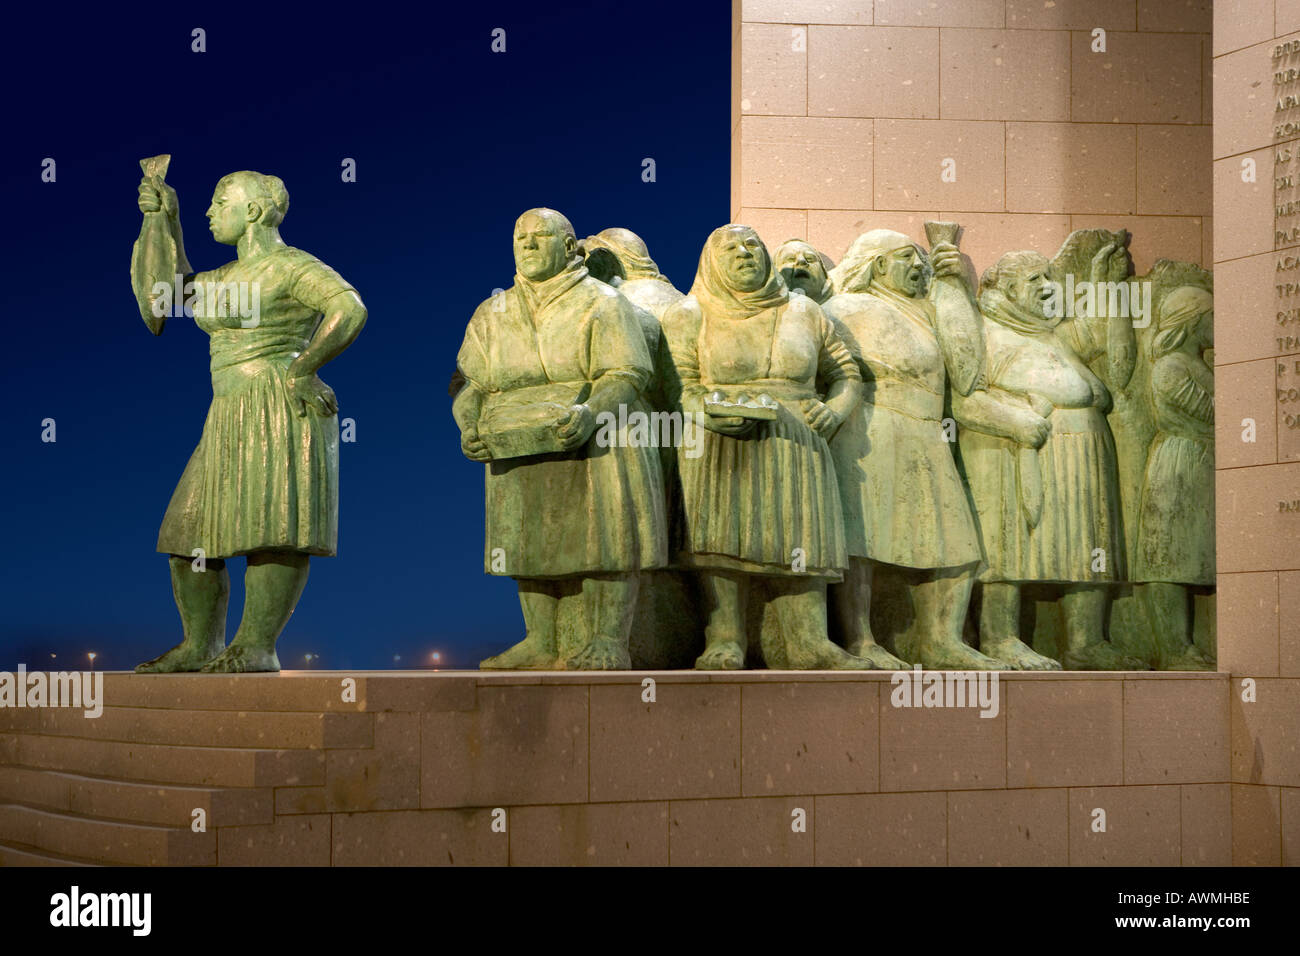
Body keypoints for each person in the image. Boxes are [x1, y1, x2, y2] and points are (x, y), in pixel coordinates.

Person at [132, 170, 367, 673]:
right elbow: (159, 304)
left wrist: (305, 368)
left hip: (278, 402)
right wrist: (161, 221)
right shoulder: (217, 280)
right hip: (227, 410)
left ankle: (256, 644)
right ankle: (201, 644)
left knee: (271, 530)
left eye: (220, 202)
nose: (209, 212)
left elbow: (348, 309)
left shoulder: (291, 267)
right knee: (186, 534)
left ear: (255, 211)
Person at [453, 208, 667, 670]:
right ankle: (541, 641)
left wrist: (591, 412)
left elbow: (627, 373)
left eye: (540, 236)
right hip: (518, 441)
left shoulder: (604, 302)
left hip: (598, 433)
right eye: (519, 237)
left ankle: (610, 639)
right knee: (527, 538)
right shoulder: (493, 311)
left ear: (570, 248)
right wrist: (468, 425)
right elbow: (472, 386)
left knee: (606, 539)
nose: (527, 245)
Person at [661, 224, 868, 670]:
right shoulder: (690, 312)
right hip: (721, 444)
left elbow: (847, 375)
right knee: (721, 539)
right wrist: (707, 412)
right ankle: (725, 638)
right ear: (712, 262)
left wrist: (833, 411)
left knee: (802, 538)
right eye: (731, 248)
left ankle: (810, 641)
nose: (744, 253)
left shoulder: (804, 310)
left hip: (797, 441)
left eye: (752, 245)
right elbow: (679, 387)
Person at [953, 250, 1145, 670]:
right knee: (1010, 546)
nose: (1048, 287)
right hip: (1018, 454)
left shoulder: (1056, 333)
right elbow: (964, 399)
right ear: (1005, 290)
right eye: (1036, 279)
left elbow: (1113, 349)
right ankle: (1000, 637)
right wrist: (1013, 421)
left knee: (1088, 545)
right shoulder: (985, 333)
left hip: (1084, 457)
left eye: (1050, 277)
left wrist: (1106, 282)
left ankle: (1086, 641)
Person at [822, 229, 1004, 669]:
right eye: (908, 257)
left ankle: (943, 640)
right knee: (861, 538)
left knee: (955, 543)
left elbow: (966, 369)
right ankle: (861, 639)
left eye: (922, 258)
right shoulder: (847, 307)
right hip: (870, 426)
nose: (919, 265)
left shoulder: (927, 310)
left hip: (926, 431)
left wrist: (956, 282)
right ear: (879, 265)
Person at [1135, 286, 1216, 669]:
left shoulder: (1197, 363)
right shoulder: (1171, 365)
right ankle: (1174, 648)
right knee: (1169, 559)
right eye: (1212, 315)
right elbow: (1214, 414)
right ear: (1193, 321)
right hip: (1179, 464)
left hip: (1201, 462)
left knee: (1194, 554)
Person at [774, 239, 835, 304]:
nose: (801, 260)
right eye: (791, 259)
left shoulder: (843, 308)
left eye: (809, 259)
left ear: (824, 273)